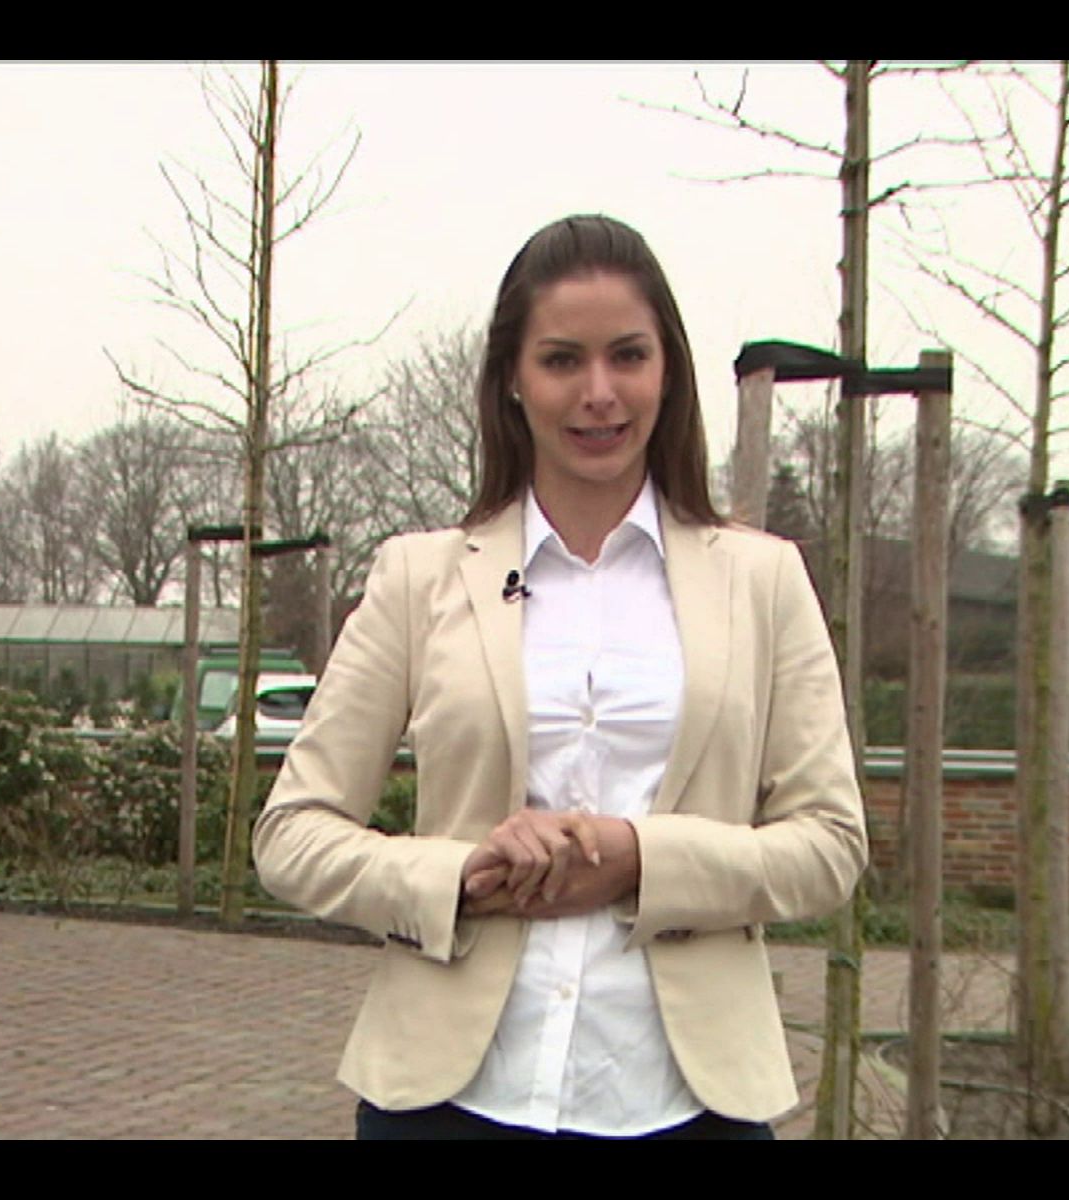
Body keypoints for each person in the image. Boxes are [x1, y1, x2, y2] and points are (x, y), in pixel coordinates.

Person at [252, 214, 866, 1141]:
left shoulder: (764, 579)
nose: (599, 393)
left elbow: (830, 846)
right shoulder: (418, 578)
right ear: (512, 377)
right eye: (561, 360)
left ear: (669, 370)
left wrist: (639, 859)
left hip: (688, 1102)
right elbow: (293, 835)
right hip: (450, 1101)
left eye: (628, 356)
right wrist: (458, 876)